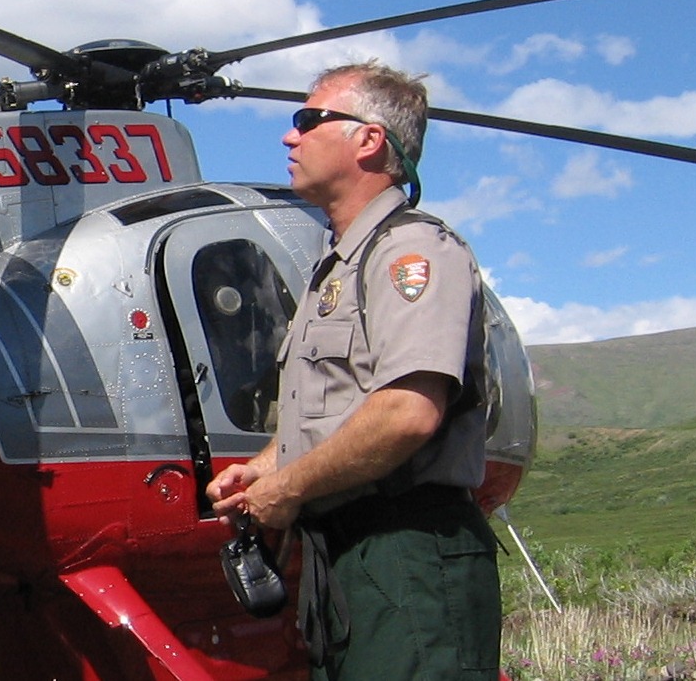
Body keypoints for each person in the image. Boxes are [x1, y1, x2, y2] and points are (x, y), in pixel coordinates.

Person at [207, 61, 501, 680]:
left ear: (369, 139)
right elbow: (340, 409)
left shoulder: (411, 252)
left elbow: (405, 414)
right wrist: (265, 467)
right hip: (347, 559)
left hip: (409, 553)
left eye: (309, 120)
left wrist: (287, 490)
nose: (290, 137)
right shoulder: (336, 269)